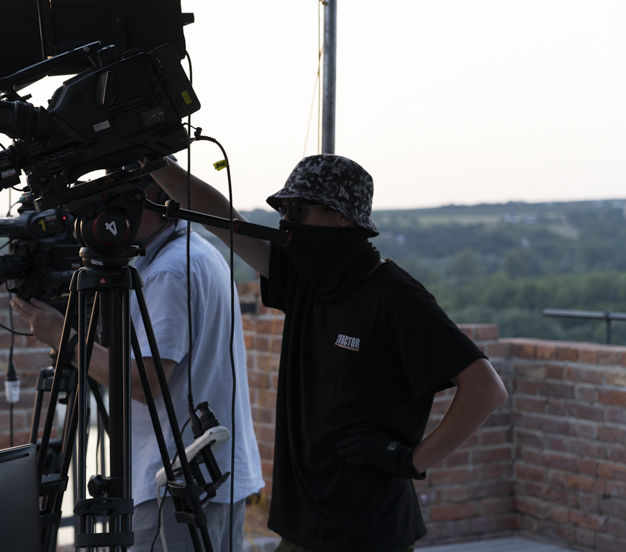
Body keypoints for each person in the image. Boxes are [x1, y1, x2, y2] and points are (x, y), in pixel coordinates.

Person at [151, 154, 508, 552]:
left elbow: (485, 390)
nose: (286, 221)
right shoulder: (304, 277)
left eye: (298, 210)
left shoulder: (395, 296)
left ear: (342, 216)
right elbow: (221, 218)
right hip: (303, 527)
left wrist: (411, 462)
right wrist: (154, 161)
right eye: (284, 209)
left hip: (367, 532)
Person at [12, 178, 265, 552]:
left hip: (175, 484)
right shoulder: (196, 251)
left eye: (125, 196)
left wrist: (64, 339)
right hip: (207, 475)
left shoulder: (168, 271)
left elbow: (143, 382)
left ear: (160, 198)